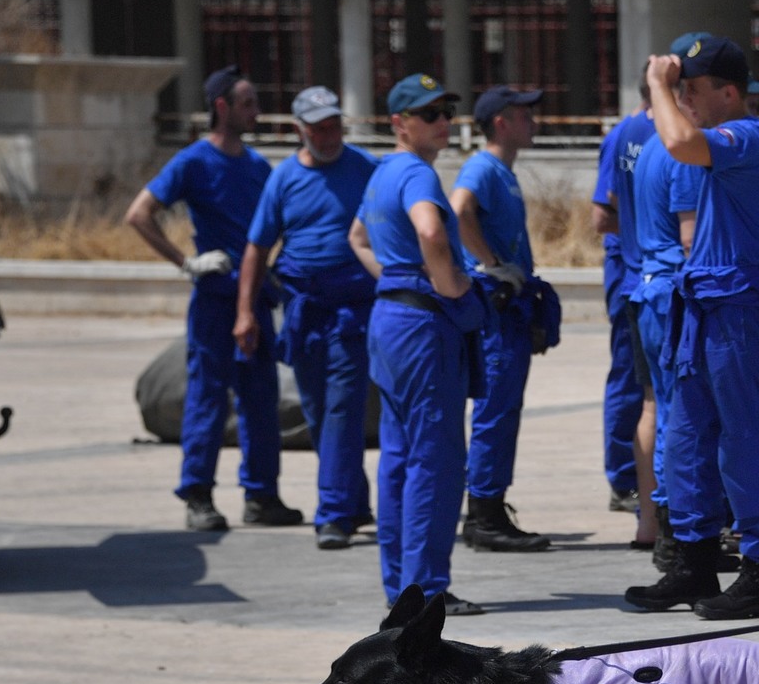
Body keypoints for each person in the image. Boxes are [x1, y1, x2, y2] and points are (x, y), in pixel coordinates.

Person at [624, 36, 759, 619]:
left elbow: (678, 139)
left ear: (729, 92)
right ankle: (692, 561)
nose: (684, 98)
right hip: (704, 307)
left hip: (741, 309)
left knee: (748, 440)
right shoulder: (716, 145)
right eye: (681, 89)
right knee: (688, 438)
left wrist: (657, 86)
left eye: (693, 89)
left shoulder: (750, 136)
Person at [125, 66, 299, 532]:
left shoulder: (259, 168)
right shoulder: (193, 162)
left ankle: (262, 495)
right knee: (207, 397)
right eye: (247, 103)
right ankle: (197, 495)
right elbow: (139, 215)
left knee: (260, 399)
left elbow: (278, 226)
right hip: (215, 300)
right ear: (221, 106)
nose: (256, 111)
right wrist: (185, 263)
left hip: (257, 299)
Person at [347, 73, 487, 617]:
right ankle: (425, 591)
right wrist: (450, 284)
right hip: (424, 328)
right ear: (400, 124)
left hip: (392, 319)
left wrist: (395, 279)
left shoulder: (383, 173)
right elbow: (431, 232)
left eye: (446, 112)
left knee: (400, 458)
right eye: (429, 115)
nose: (442, 123)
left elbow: (357, 238)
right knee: (436, 459)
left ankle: (400, 586)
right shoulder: (416, 176)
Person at [236, 85, 379, 549]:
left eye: (335, 125)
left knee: (342, 408)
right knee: (318, 412)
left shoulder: (364, 169)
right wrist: (245, 313)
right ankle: (354, 499)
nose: (330, 134)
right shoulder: (283, 179)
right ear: (299, 130)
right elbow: (258, 247)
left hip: (352, 312)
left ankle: (333, 514)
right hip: (303, 311)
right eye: (319, 128)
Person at [450, 84, 552, 553]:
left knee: (505, 408)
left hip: (509, 304)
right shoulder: (483, 167)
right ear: (499, 122)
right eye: (522, 114)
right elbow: (459, 211)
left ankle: (490, 506)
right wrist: (491, 263)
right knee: (494, 409)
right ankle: (484, 513)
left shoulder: (503, 173)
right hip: (496, 306)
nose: (532, 121)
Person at [626, 33, 711, 578]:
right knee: (681, 419)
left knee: (664, 411)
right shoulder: (680, 153)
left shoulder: (653, 144)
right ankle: (676, 536)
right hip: (671, 295)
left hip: (650, 290)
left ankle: (665, 528)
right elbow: (690, 237)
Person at [591, 92, 655, 534]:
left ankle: (635, 484)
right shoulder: (631, 135)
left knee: (639, 384)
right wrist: (639, 234)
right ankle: (624, 478)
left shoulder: (629, 133)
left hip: (634, 268)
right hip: (632, 268)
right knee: (633, 380)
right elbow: (602, 215)